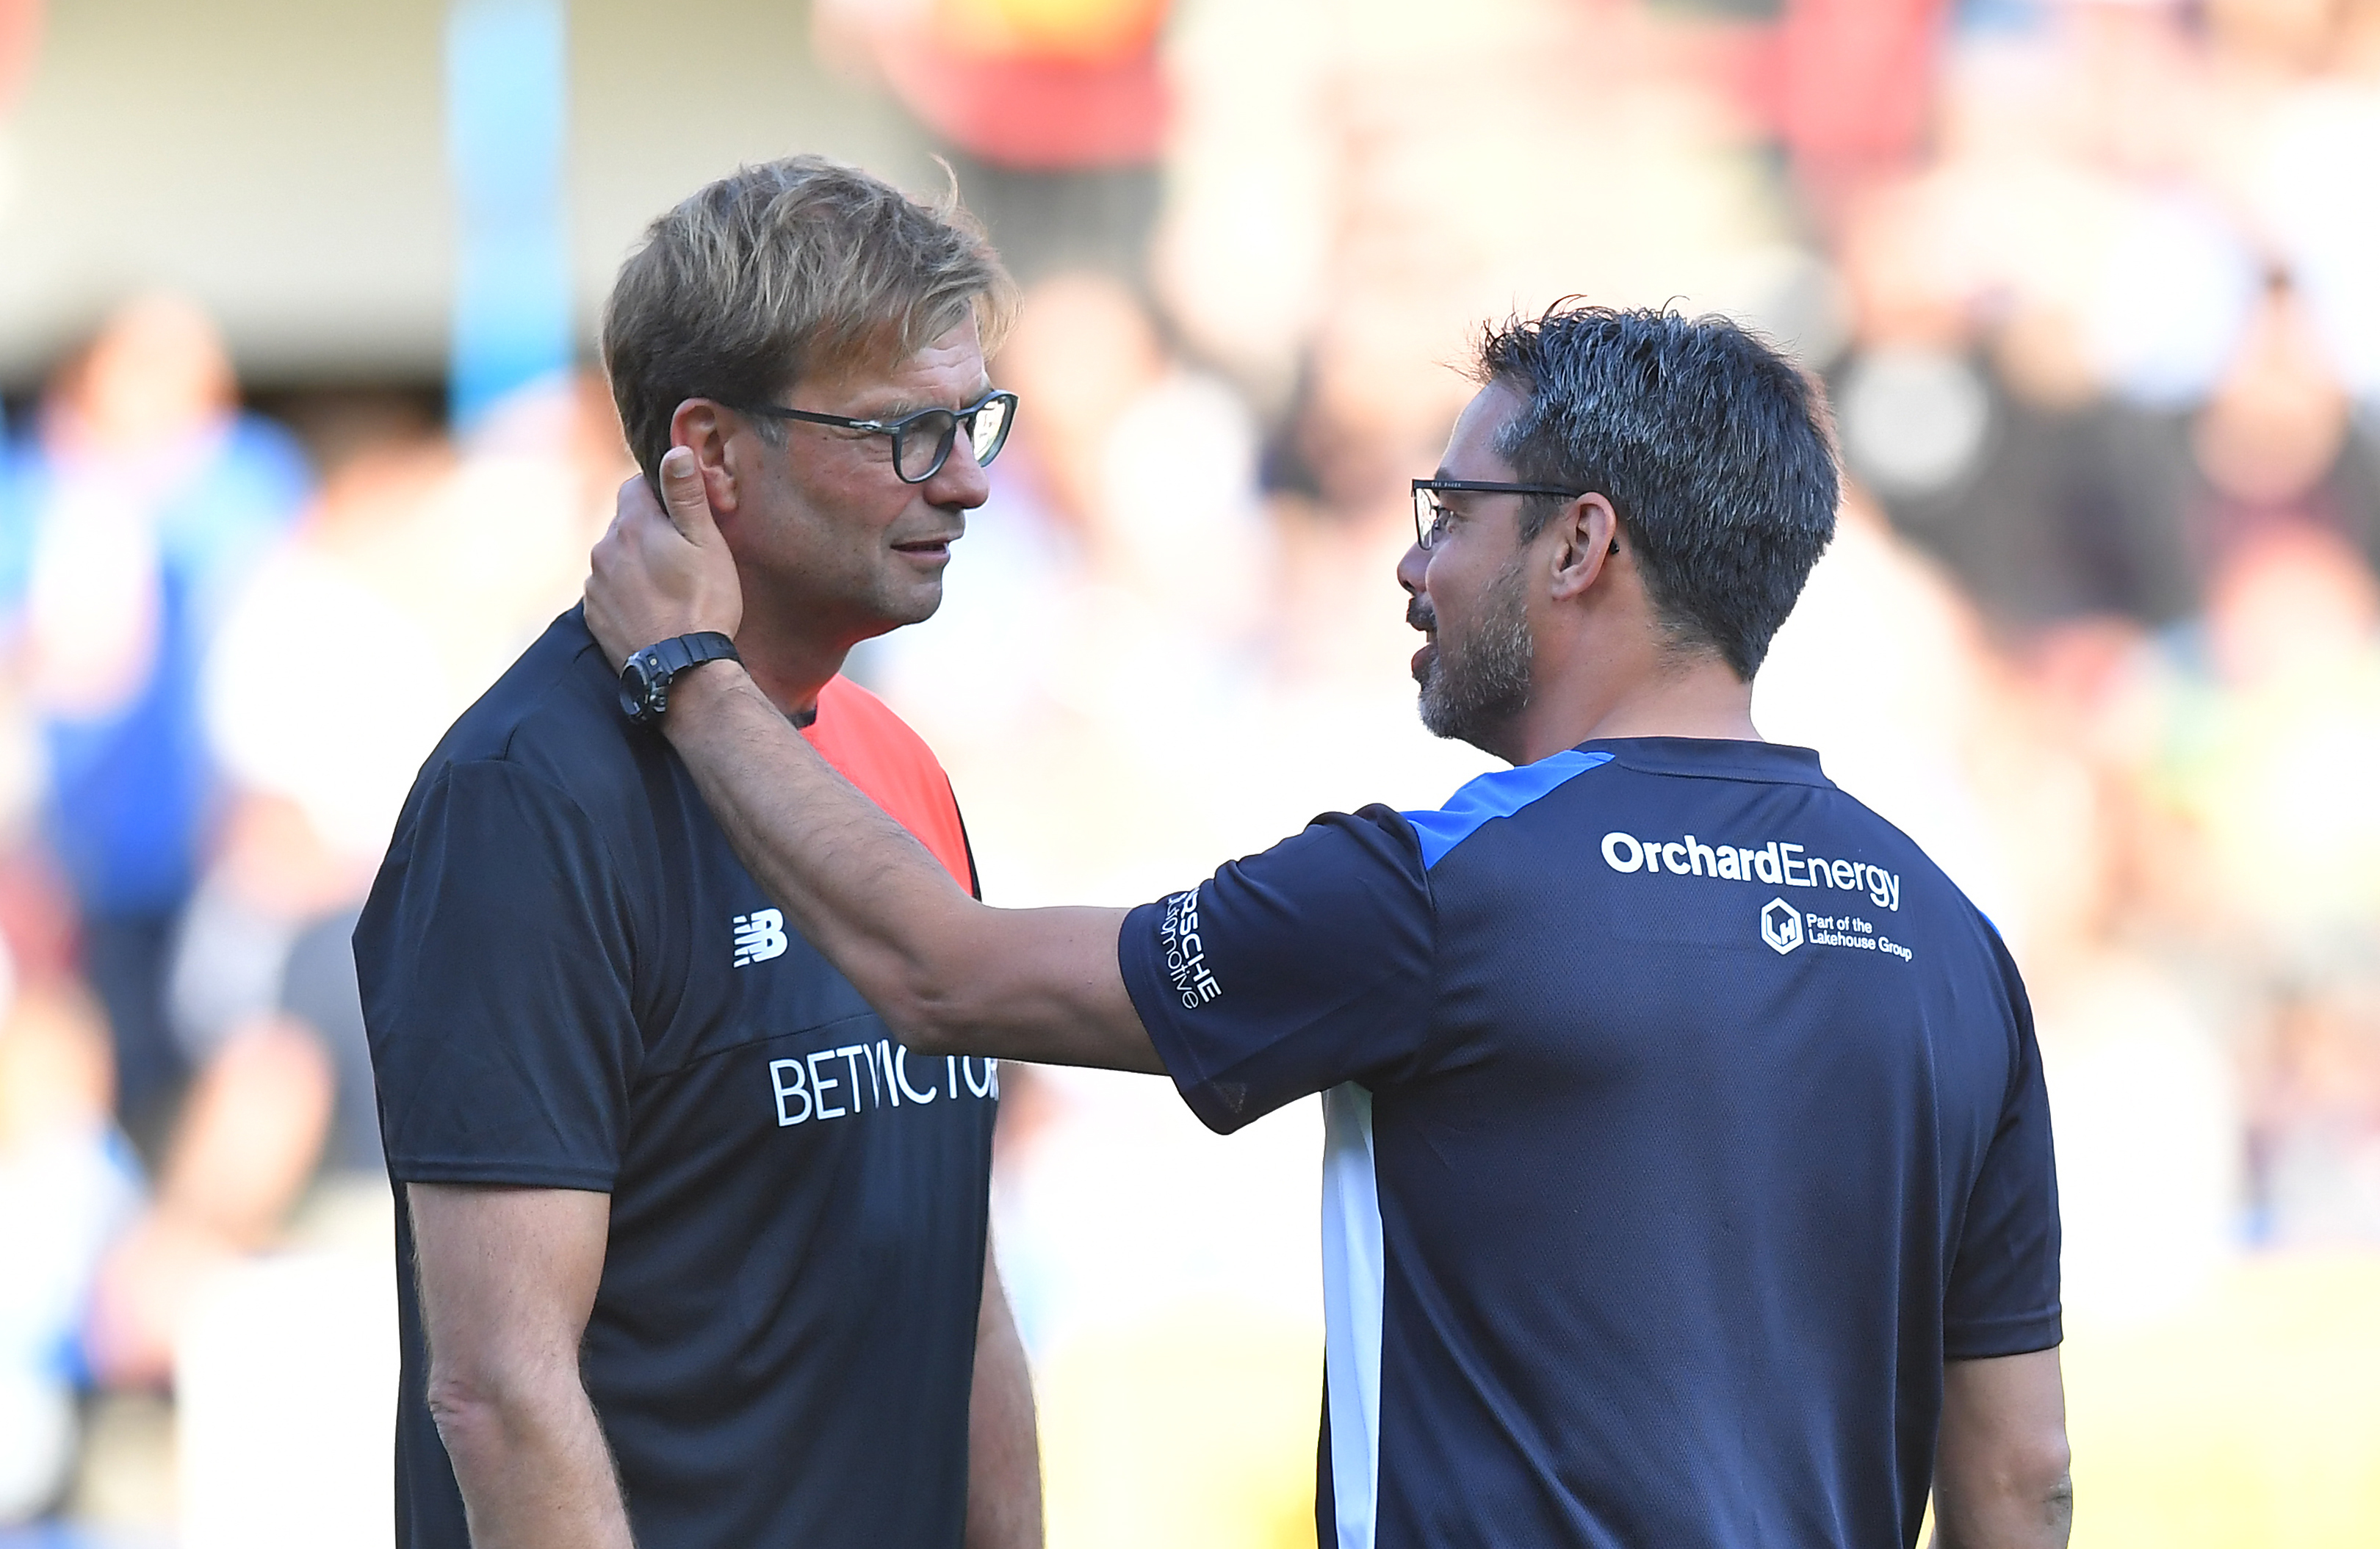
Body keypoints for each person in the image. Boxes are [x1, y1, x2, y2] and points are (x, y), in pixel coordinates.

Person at [588, 303, 2074, 1548]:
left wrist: (692, 670)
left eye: (1451, 514)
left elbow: (941, 972)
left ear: (1580, 545)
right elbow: (2021, 1475)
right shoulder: (1949, 940)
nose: (1413, 567)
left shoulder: (1437, 892)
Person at [354, 156, 1039, 1549]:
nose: (969, 482)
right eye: (909, 434)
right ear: (709, 452)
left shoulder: (892, 761)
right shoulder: (526, 799)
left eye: (974, 421)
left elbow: (962, 1290)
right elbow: (501, 1390)